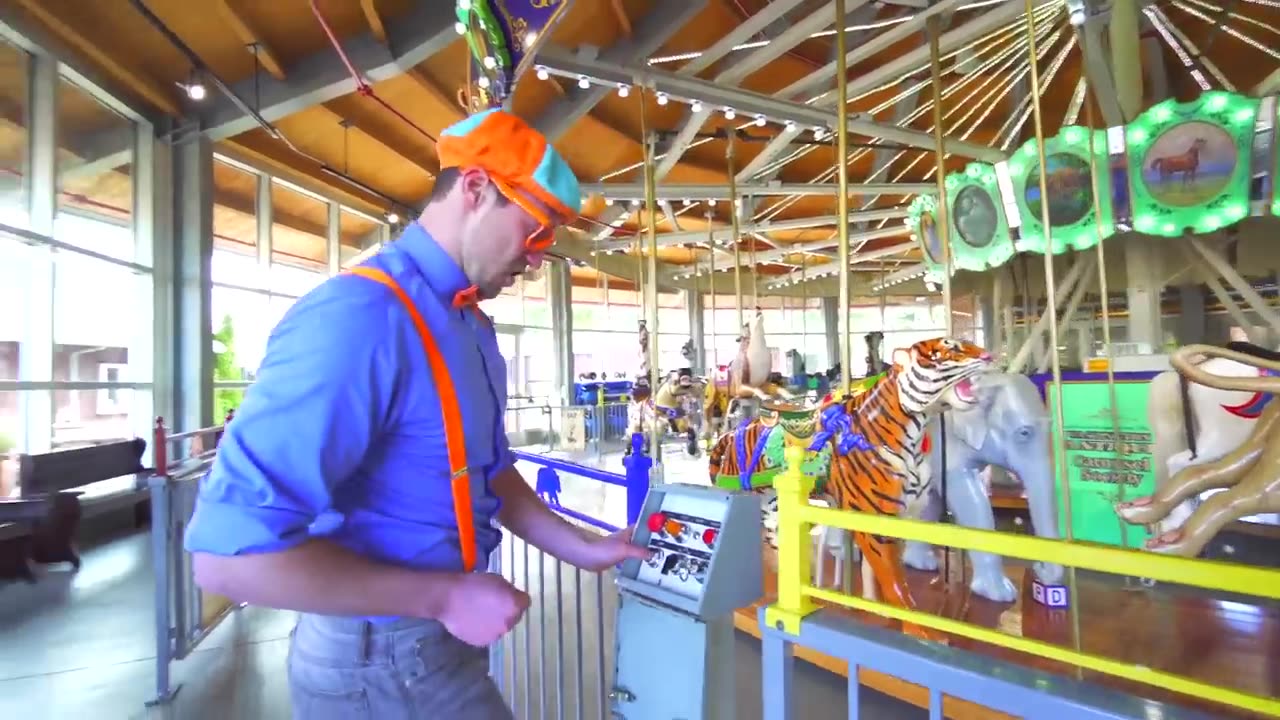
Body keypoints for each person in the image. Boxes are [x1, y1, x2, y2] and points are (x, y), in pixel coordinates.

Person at [184, 108, 649, 720]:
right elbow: (228, 558)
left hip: (431, 644)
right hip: (379, 661)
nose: (538, 258)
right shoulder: (360, 317)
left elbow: (488, 470)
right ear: (477, 189)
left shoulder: (466, 324)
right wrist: (444, 596)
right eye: (535, 232)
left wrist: (582, 547)